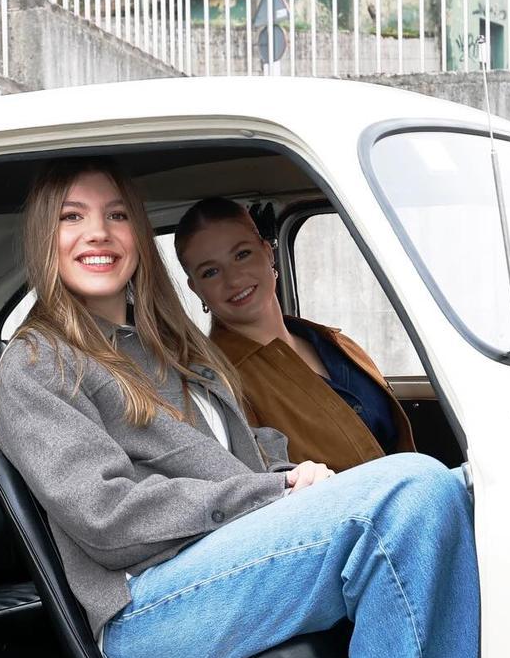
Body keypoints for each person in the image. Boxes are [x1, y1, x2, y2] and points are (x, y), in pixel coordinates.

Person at [0, 159, 479, 658]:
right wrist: (269, 493)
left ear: (138, 236)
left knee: (470, 492)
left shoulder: (170, 349)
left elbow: (236, 465)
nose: (98, 232)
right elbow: (106, 516)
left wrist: (292, 476)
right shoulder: (40, 363)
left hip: (222, 575)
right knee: (411, 492)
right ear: (45, 236)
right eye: (73, 217)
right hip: (148, 614)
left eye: (117, 215)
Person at [173, 197, 415, 474]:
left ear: (268, 253)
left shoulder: (334, 342)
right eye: (211, 272)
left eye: (242, 255)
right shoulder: (217, 383)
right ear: (196, 289)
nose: (234, 279)